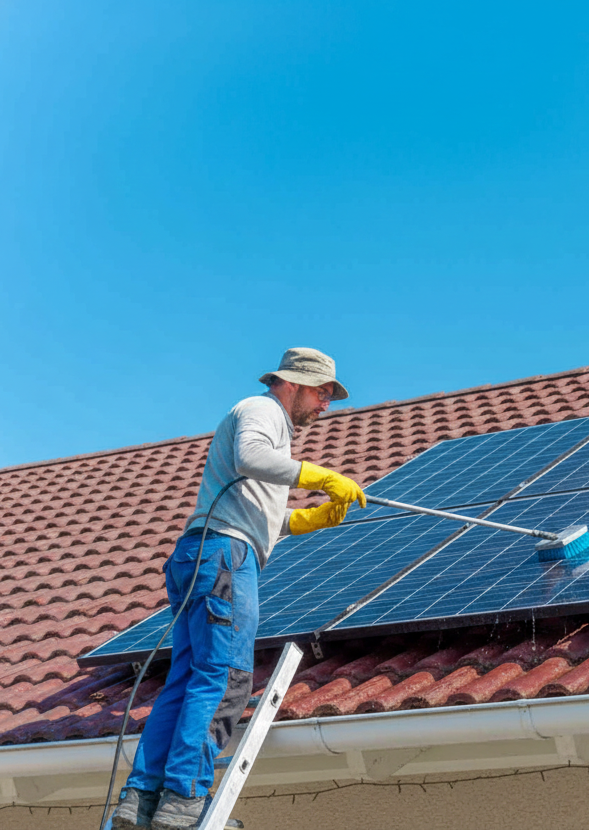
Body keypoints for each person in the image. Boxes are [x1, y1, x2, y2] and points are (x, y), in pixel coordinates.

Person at [112, 348, 364, 830]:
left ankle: (142, 799)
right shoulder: (261, 410)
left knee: (188, 679)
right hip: (225, 557)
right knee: (225, 677)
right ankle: (184, 800)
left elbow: (252, 510)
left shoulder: (270, 428)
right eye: (321, 392)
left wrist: (303, 521)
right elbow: (251, 459)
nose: (326, 405)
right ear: (291, 383)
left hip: (204, 553)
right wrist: (318, 475)